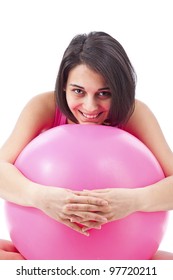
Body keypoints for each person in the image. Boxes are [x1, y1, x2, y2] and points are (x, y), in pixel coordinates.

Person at [0, 31, 173, 260]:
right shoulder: (43, 107)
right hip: (42, 249)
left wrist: (133, 201)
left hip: (124, 252)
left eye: (104, 93)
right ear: (63, 86)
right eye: (78, 91)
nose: (90, 107)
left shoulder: (134, 113)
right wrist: (41, 197)